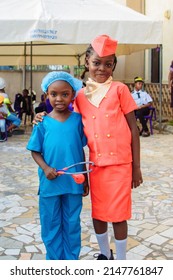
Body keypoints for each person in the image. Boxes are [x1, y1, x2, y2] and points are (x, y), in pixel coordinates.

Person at [33, 35, 143, 260]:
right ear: (87, 62)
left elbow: (133, 129)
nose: (102, 68)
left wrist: (136, 167)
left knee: (119, 213)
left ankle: (120, 260)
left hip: (121, 163)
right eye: (96, 63)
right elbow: (64, 114)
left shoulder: (120, 89)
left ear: (113, 65)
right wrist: (40, 115)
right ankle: (105, 255)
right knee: (99, 212)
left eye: (108, 64)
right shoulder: (81, 95)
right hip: (95, 166)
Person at [27, 71, 89, 260]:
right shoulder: (42, 122)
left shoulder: (79, 121)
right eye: (53, 94)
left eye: (65, 94)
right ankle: (54, 263)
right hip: (50, 183)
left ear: (73, 95)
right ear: (47, 95)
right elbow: (34, 150)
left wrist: (86, 179)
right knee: (50, 223)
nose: (59, 99)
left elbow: (81, 149)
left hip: (73, 183)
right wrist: (46, 168)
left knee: (72, 224)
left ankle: (71, 261)